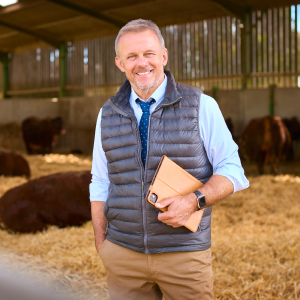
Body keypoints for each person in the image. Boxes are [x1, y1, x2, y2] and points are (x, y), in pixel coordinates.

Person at [90, 19, 249, 300]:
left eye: (149, 54)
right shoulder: (107, 114)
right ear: (119, 62)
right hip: (123, 256)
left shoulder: (200, 105)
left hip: (184, 256)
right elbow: (101, 181)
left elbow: (232, 170)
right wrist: (102, 244)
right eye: (132, 56)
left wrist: (193, 201)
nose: (142, 63)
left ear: (164, 56)